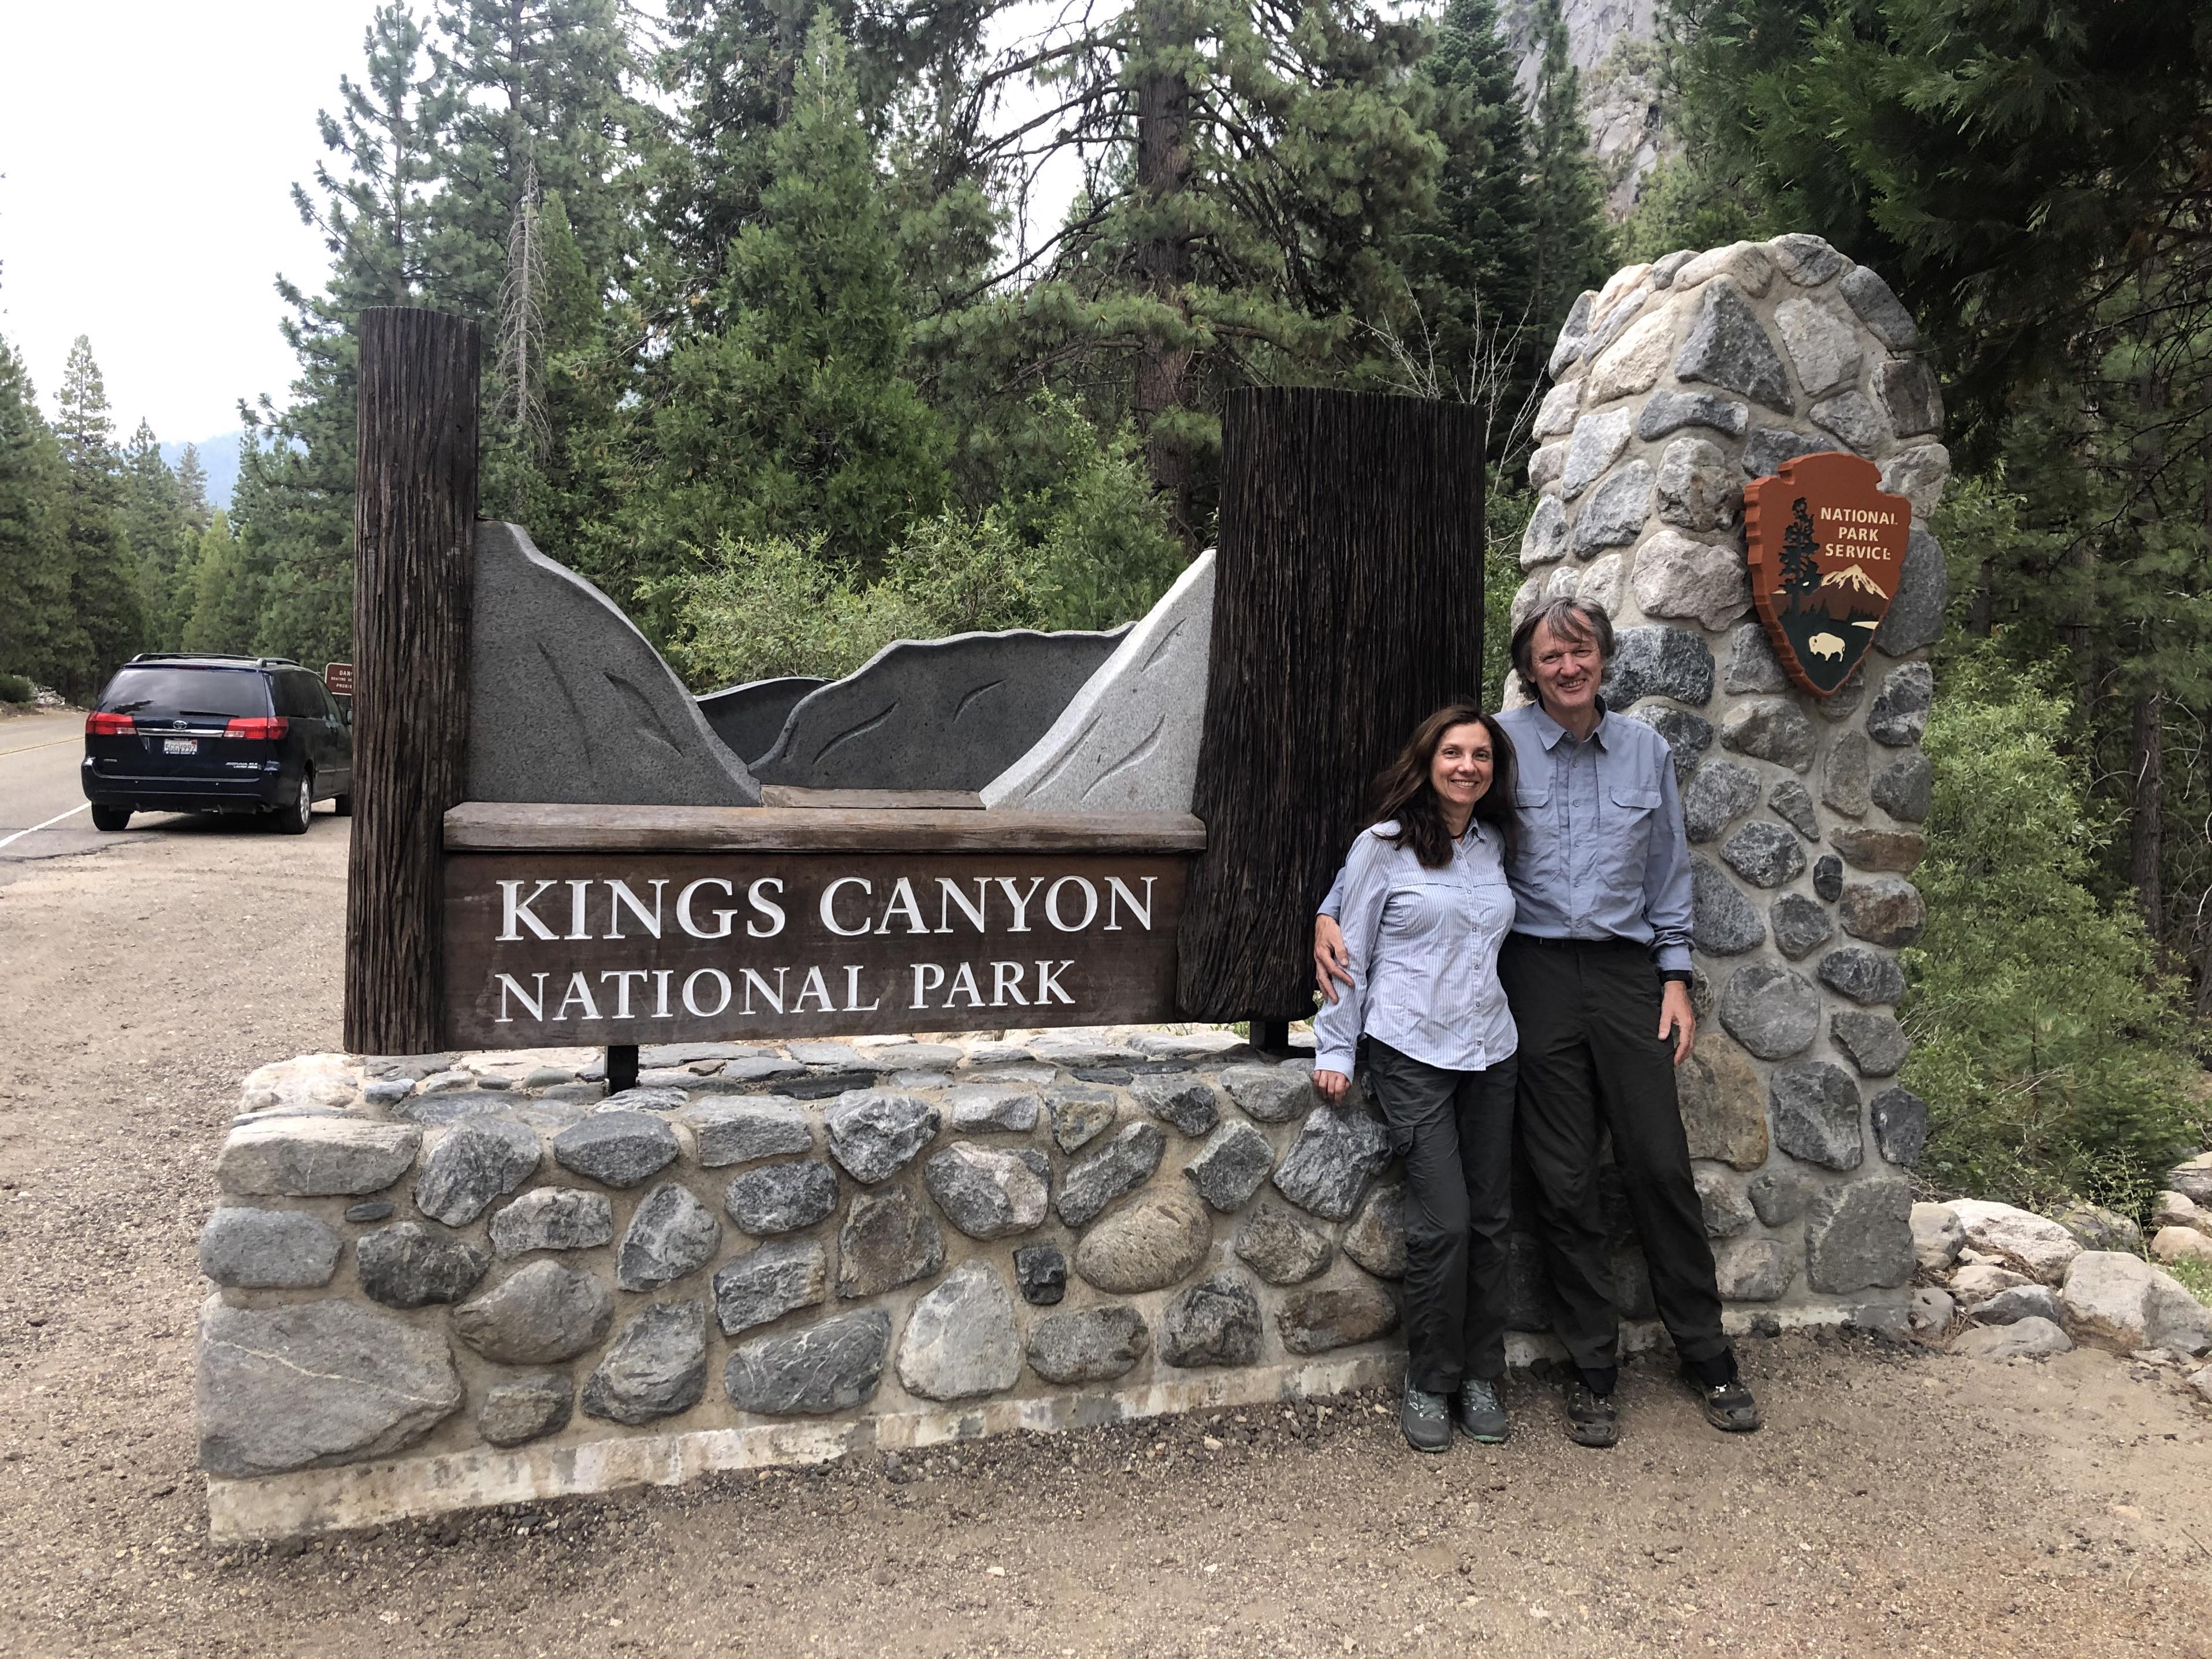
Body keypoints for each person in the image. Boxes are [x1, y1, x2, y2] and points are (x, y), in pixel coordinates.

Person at [1315, 597, 1762, 1448]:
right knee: (1560, 1182)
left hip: (1630, 978)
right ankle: (1593, 1373)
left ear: (1602, 659)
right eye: (1551, 656)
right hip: (1531, 976)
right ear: (1530, 667)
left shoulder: (1645, 751)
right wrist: (1329, 912)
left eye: (1581, 652)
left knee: (1659, 1167)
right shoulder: (1500, 744)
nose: (1567, 668)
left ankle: (1708, 1356)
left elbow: (1670, 872)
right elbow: (1408, 831)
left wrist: (1674, 977)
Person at [1310, 703, 1521, 1454]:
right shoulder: (1383, 847)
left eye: (1481, 757)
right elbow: (1346, 952)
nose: (1467, 766)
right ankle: (1430, 1380)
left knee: (1492, 1221)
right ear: (1427, 760)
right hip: (1409, 1052)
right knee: (1446, 1221)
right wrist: (1334, 1053)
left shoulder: (1495, 845)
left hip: (1492, 1051)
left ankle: (1479, 1374)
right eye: (1453, 753)